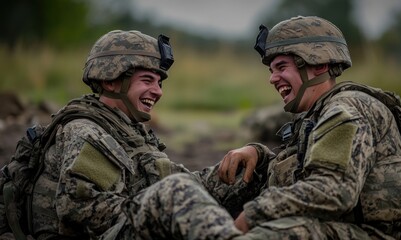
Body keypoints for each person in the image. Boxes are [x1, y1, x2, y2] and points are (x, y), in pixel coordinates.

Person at [99, 16, 401, 240]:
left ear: (319, 65)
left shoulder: (344, 111)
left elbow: (332, 190)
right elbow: (310, 172)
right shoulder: (321, 114)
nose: (272, 78)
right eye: (271, 69)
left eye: (281, 67)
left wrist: (253, 215)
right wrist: (261, 155)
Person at [0, 30, 264, 239]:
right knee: (175, 193)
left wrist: (248, 158)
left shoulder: (127, 129)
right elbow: (79, 211)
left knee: (242, 176)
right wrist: (159, 203)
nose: (158, 91)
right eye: (147, 80)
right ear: (111, 80)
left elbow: (174, 180)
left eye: (159, 83)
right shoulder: (87, 132)